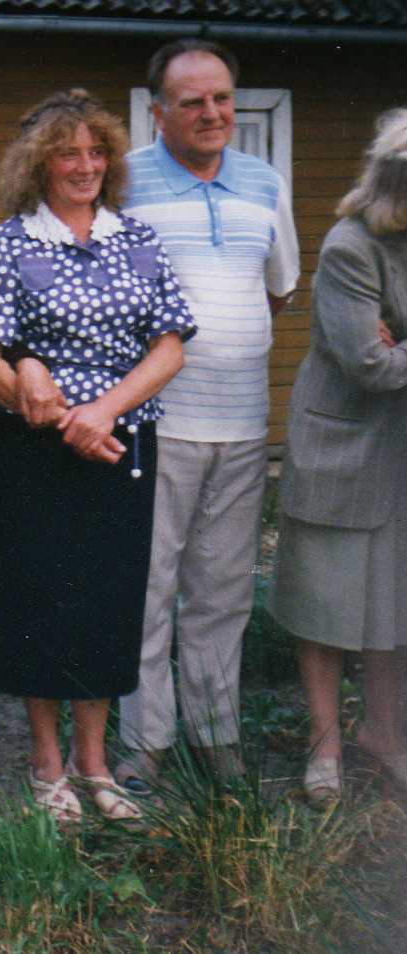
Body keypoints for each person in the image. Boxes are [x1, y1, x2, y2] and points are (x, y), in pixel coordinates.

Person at [0, 89, 194, 822]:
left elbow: (169, 345)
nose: (85, 165)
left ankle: (94, 764)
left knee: (105, 600)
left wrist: (102, 412)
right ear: (39, 164)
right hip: (35, 453)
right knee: (40, 600)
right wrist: (63, 416)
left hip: (120, 442)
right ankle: (46, 763)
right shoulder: (6, 243)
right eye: (68, 152)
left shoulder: (138, 239)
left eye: (97, 152)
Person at [117, 39, 301, 791]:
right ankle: (144, 745)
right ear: (158, 110)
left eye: (221, 97)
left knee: (222, 591)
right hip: (156, 421)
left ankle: (215, 734)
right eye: (190, 101)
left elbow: (278, 287)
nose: (210, 112)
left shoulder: (263, 182)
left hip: (243, 422)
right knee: (147, 587)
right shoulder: (124, 180)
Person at [268, 109, 407, 805]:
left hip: (401, 460)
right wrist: (386, 350)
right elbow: (367, 364)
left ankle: (384, 736)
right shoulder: (352, 247)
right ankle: (323, 747)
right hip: (344, 451)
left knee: (392, 610)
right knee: (323, 607)